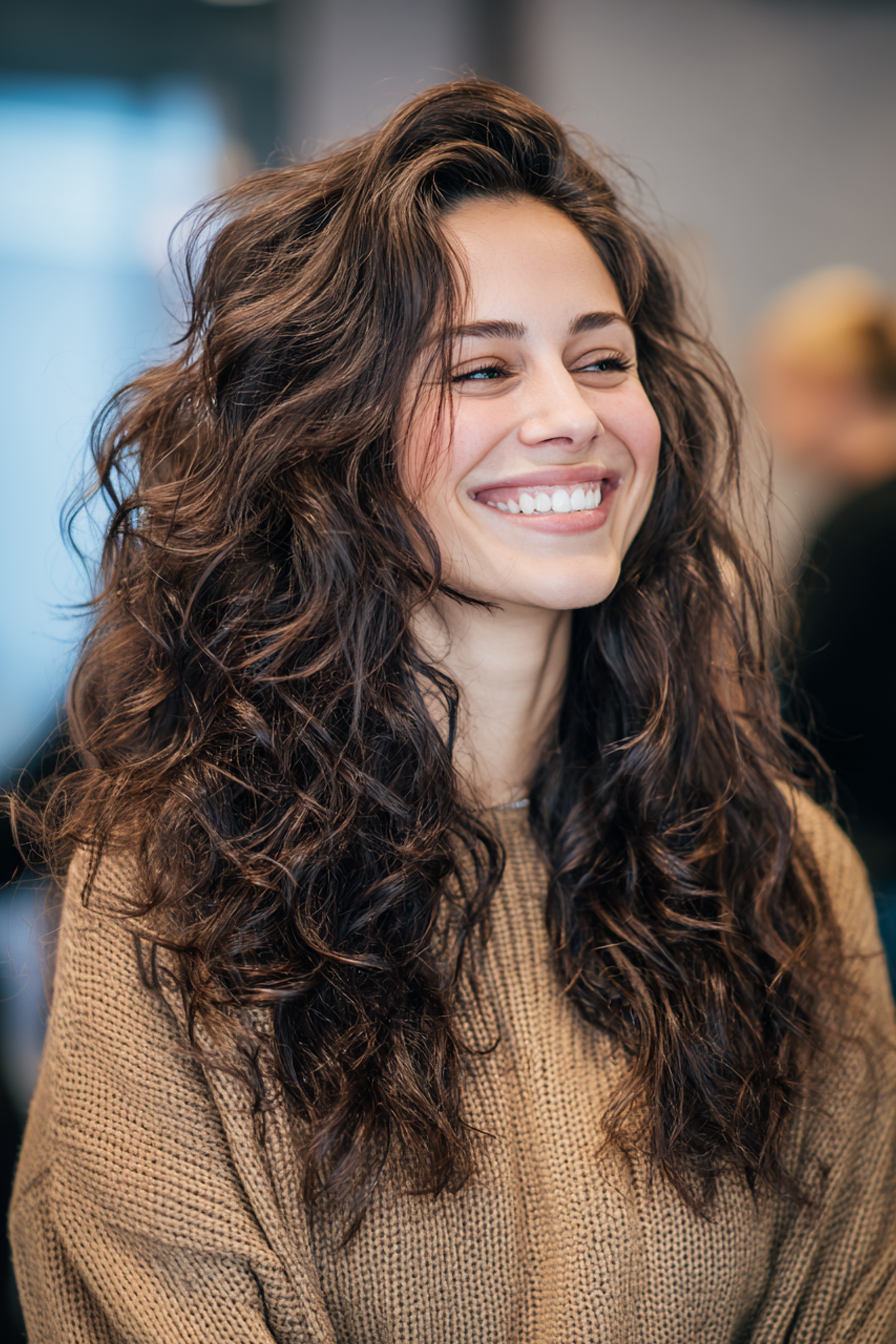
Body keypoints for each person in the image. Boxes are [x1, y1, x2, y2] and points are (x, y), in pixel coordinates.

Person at [9, 81, 896, 1342]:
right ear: (332, 437)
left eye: (602, 358)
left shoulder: (784, 876)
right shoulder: (169, 898)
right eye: (481, 366)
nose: (569, 416)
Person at [750, 267, 896, 982]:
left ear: (831, 386)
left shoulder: (865, 521)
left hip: (877, 858)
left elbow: (809, 702)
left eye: (776, 387)